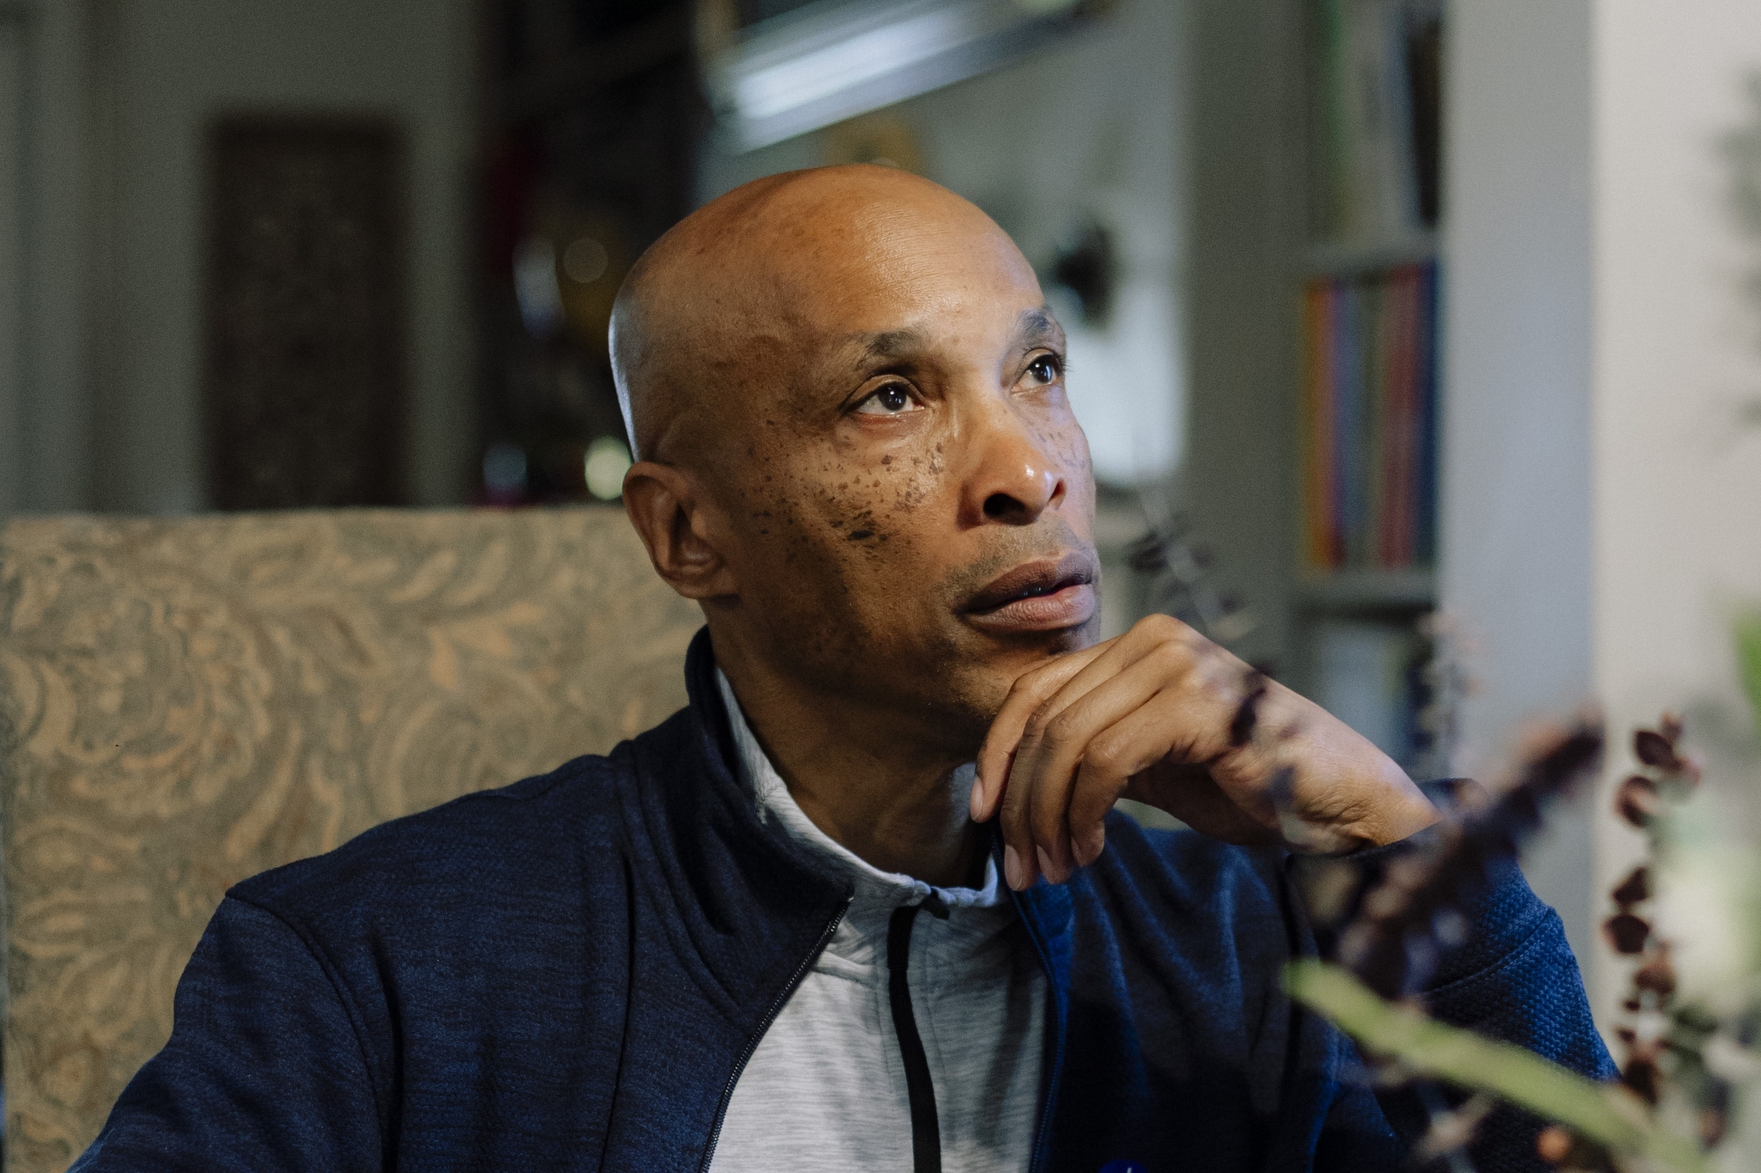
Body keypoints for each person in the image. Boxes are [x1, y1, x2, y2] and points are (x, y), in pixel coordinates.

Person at [77, 165, 1609, 1173]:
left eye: (1041, 373)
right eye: (891, 397)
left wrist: (1409, 857)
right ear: (689, 537)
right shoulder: (376, 976)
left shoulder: (1243, 945)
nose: (1031, 472)